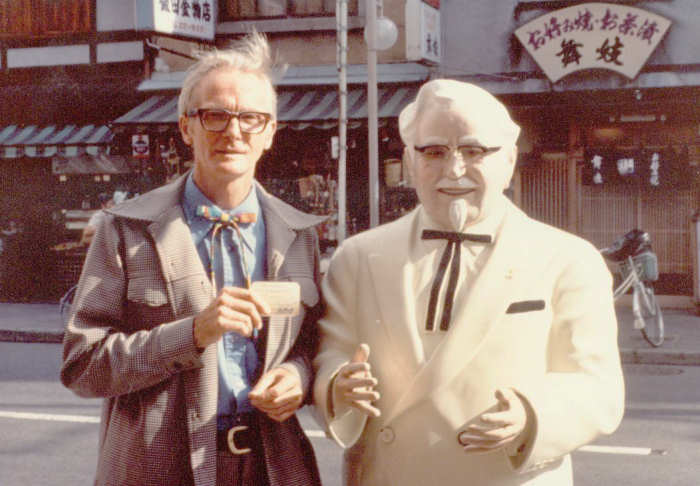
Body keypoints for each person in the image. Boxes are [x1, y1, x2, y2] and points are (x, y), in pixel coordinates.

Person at [312, 79, 625, 486]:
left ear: (509, 161)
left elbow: (598, 387)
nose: (454, 170)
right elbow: (331, 353)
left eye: (474, 151)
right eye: (434, 152)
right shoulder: (357, 257)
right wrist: (339, 387)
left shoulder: (568, 259)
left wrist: (532, 417)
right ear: (410, 161)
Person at [61, 32, 324, 486]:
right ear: (186, 127)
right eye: (215, 116)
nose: (233, 132)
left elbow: (313, 345)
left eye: (251, 119)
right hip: (158, 468)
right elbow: (82, 365)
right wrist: (193, 334)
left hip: (271, 466)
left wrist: (298, 375)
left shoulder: (299, 234)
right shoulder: (126, 229)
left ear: (270, 134)